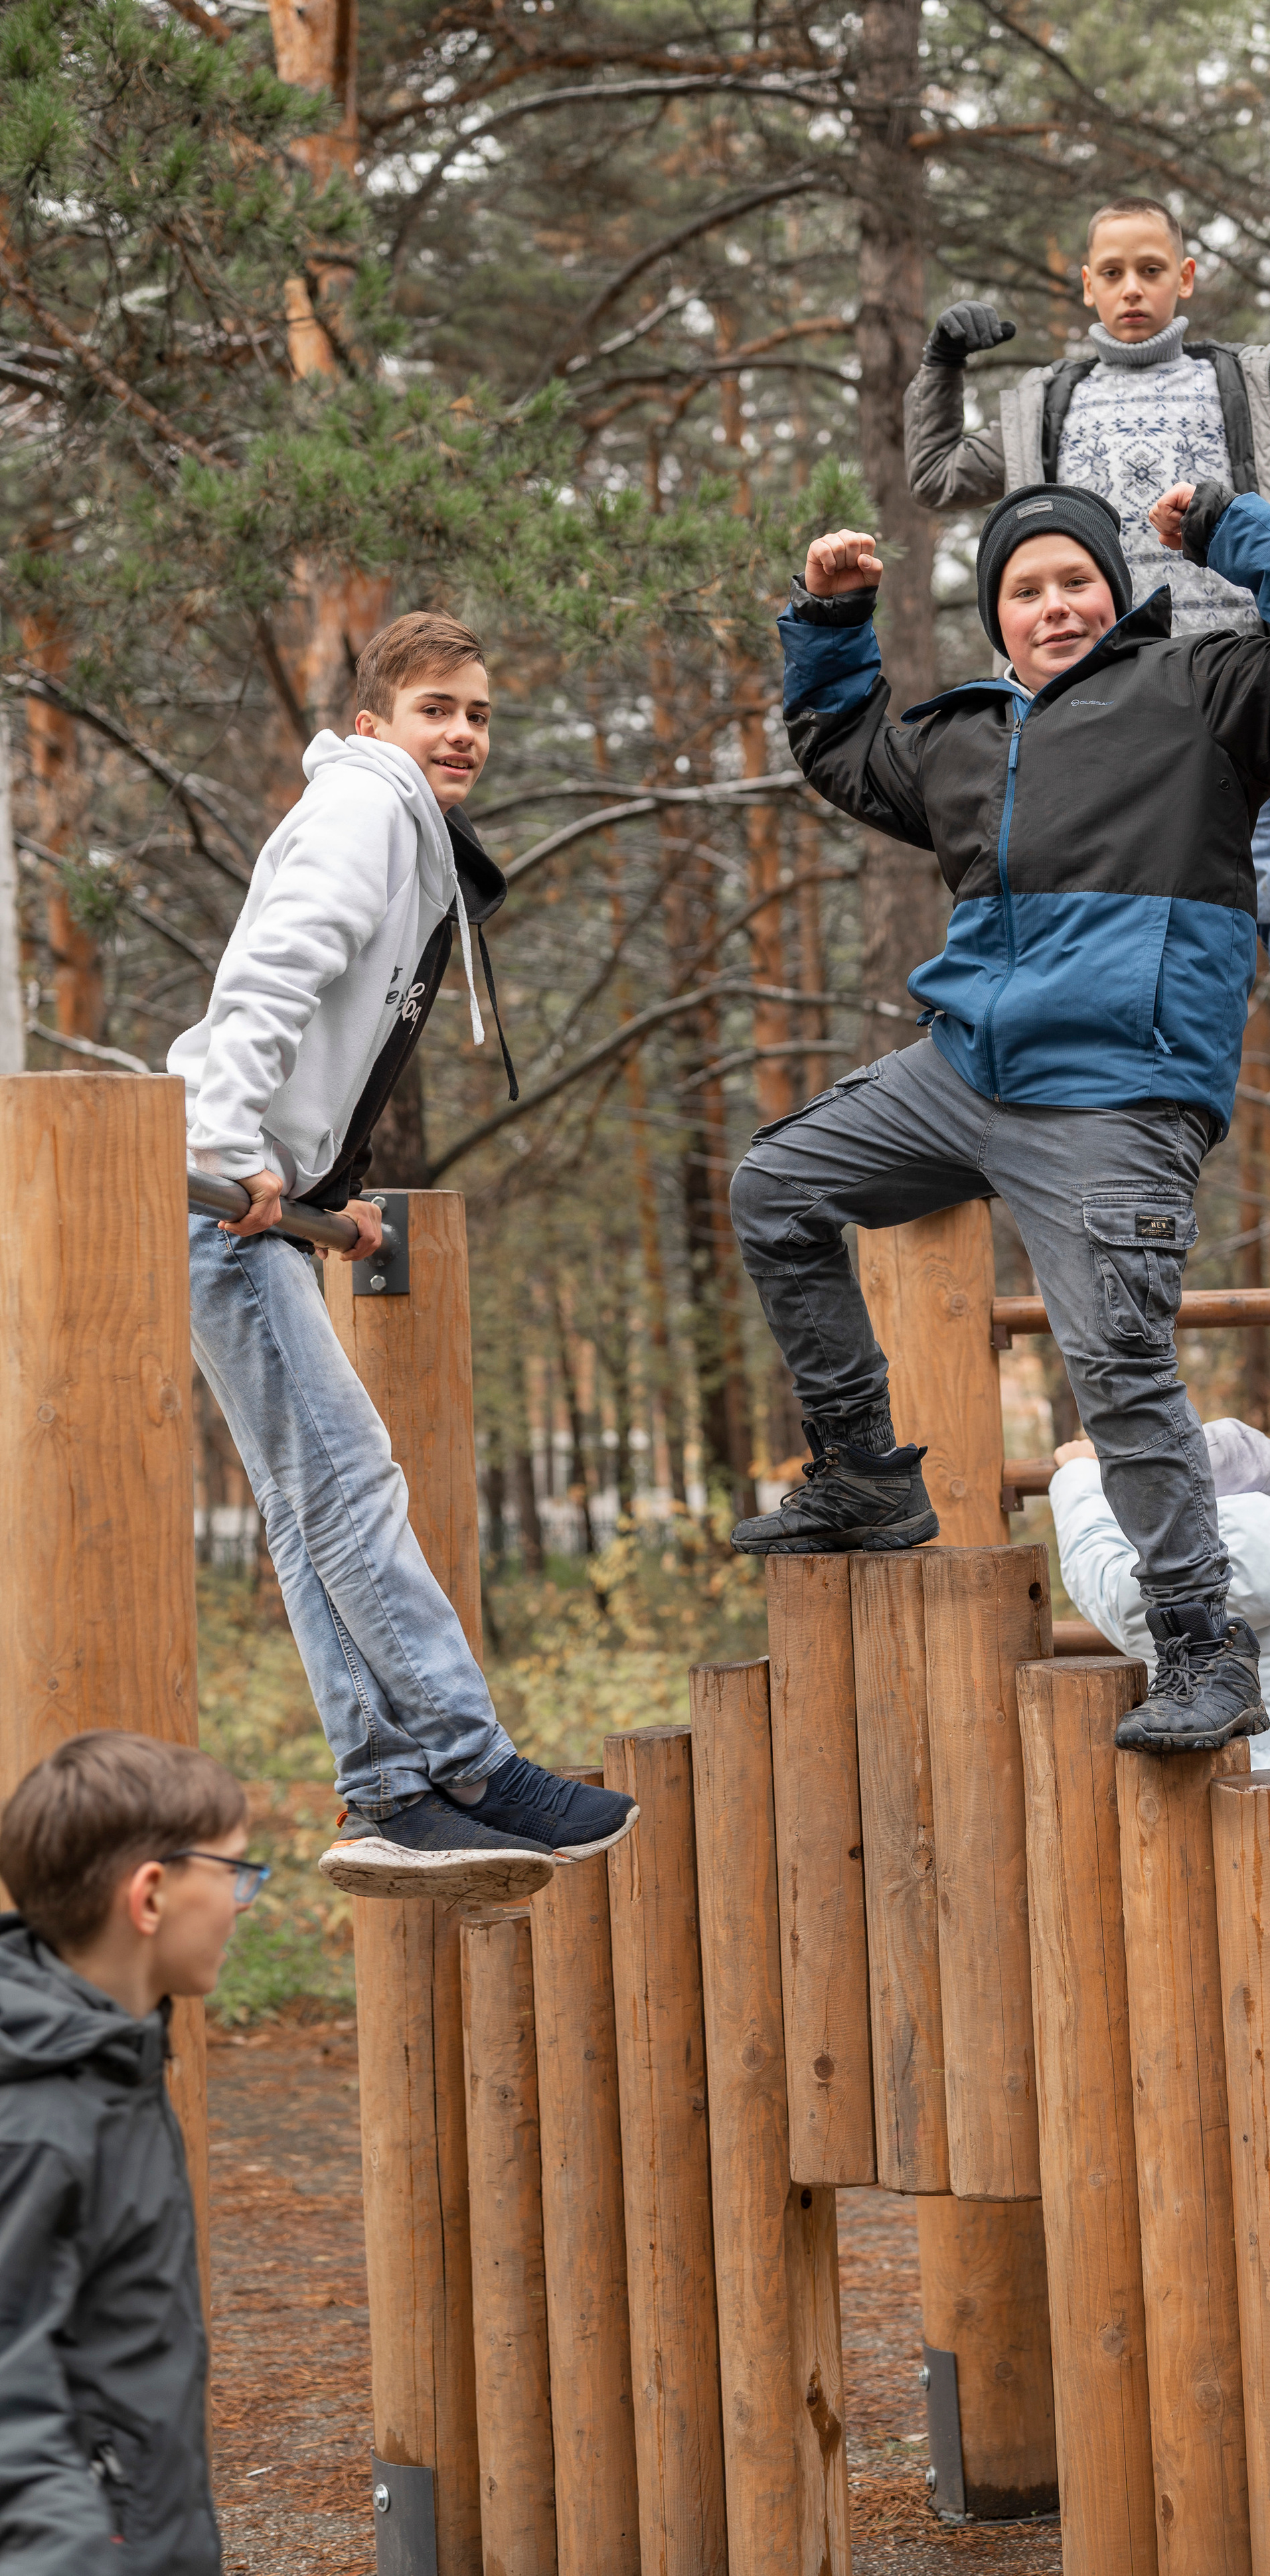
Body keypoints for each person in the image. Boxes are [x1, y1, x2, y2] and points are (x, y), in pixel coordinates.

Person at [726, 474, 1270, 1751]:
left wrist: (1219, 529)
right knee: (778, 1186)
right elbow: (842, 747)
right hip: (964, 1074)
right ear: (998, 617)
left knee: (1118, 1366)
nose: (1053, 605)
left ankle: (1202, 1649)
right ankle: (866, 1470)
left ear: (1115, 592)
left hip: (1119, 1095)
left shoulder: (1207, 692)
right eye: (1026, 590)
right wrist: (833, 616)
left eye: (1075, 581)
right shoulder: (971, 736)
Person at [167, 612, 639, 1896]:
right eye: (438, 708)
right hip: (219, 1194)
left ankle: (387, 1790)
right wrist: (231, 1148)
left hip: (259, 1191)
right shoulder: (367, 809)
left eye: (480, 713)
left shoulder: (407, 831)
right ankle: (469, 1762)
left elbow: (347, 1042)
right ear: (376, 723)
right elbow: (274, 978)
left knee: (315, 1505)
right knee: (347, 1483)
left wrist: (336, 1193)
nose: (465, 734)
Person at [904, 196, 1270, 1177]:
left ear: (1186, 277)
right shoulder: (1040, 404)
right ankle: (1025, 1116)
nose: (1131, 288)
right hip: (1090, 704)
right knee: (1049, 909)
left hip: (1231, 697)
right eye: (1111, 272)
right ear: (1083, 283)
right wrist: (941, 366)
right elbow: (930, 476)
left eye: (1150, 268)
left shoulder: (1250, 384)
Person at [0, 1730, 256, 2573]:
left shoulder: (116, 2058)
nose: (244, 1900)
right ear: (149, 1897)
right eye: (233, 1872)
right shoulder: (39, 2117)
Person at [1050, 1421, 1270, 1767]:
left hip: (1199, 1786)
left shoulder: (1156, 1586)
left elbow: (1091, 1556)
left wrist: (1077, 1472)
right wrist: (1269, 1470)